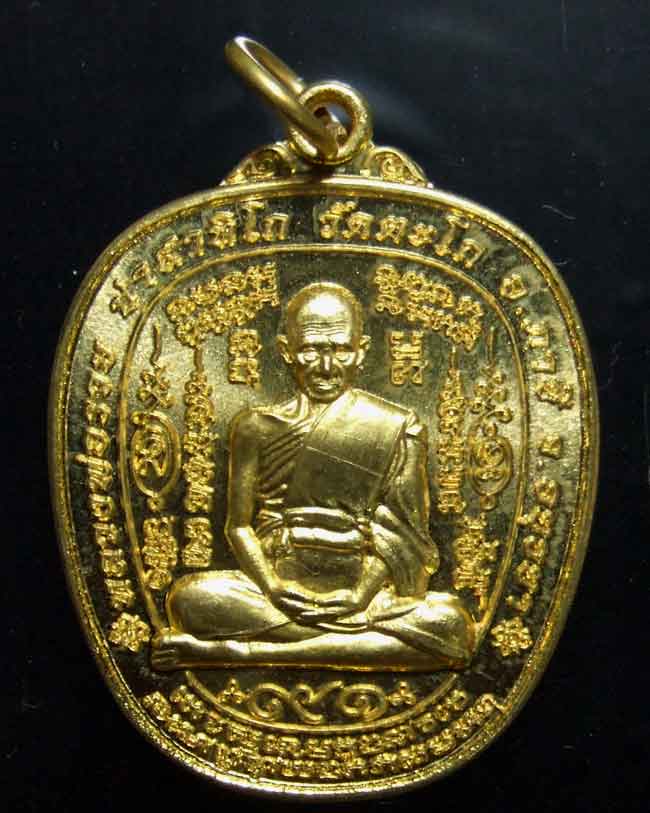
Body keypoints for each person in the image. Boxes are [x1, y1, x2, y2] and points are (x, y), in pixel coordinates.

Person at [152, 282, 474, 671]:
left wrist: (358, 596)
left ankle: (245, 652)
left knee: (451, 623)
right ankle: (358, 647)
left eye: (340, 350)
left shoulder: (397, 426)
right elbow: (238, 526)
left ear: (361, 351)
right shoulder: (255, 427)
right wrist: (273, 586)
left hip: (364, 595)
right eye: (311, 350)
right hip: (276, 588)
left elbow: (404, 534)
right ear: (286, 350)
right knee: (191, 600)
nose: (326, 366)